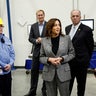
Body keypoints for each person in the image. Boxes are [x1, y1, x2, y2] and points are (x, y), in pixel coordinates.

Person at [40, 18, 75, 96]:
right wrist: (49, 59)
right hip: (49, 73)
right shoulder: (44, 40)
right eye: (55, 25)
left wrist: (62, 59)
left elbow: (72, 53)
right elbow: (41, 57)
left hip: (64, 72)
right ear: (50, 27)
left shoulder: (66, 38)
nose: (58, 27)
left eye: (59, 25)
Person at [65, 9, 94, 96]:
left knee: (81, 85)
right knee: (68, 84)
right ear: (70, 17)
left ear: (80, 17)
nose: (75, 18)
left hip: (81, 63)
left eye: (77, 16)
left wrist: (85, 60)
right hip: (69, 63)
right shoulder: (67, 28)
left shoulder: (87, 30)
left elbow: (90, 47)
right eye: (73, 16)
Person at [24, 10, 47, 96]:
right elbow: (30, 38)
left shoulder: (48, 25)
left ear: (44, 15)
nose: (40, 16)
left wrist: (43, 40)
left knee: (46, 71)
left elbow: (51, 37)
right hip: (36, 52)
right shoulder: (33, 26)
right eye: (38, 15)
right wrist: (36, 40)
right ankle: (32, 91)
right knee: (34, 72)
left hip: (46, 53)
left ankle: (44, 90)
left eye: (41, 15)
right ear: (36, 16)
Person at [0, 18, 15, 96]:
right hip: (0, 71)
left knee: (7, 92)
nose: (0, 28)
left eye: (1, 26)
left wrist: (10, 64)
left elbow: (12, 54)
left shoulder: (7, 40)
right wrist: (3, 65)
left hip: (8, 71)